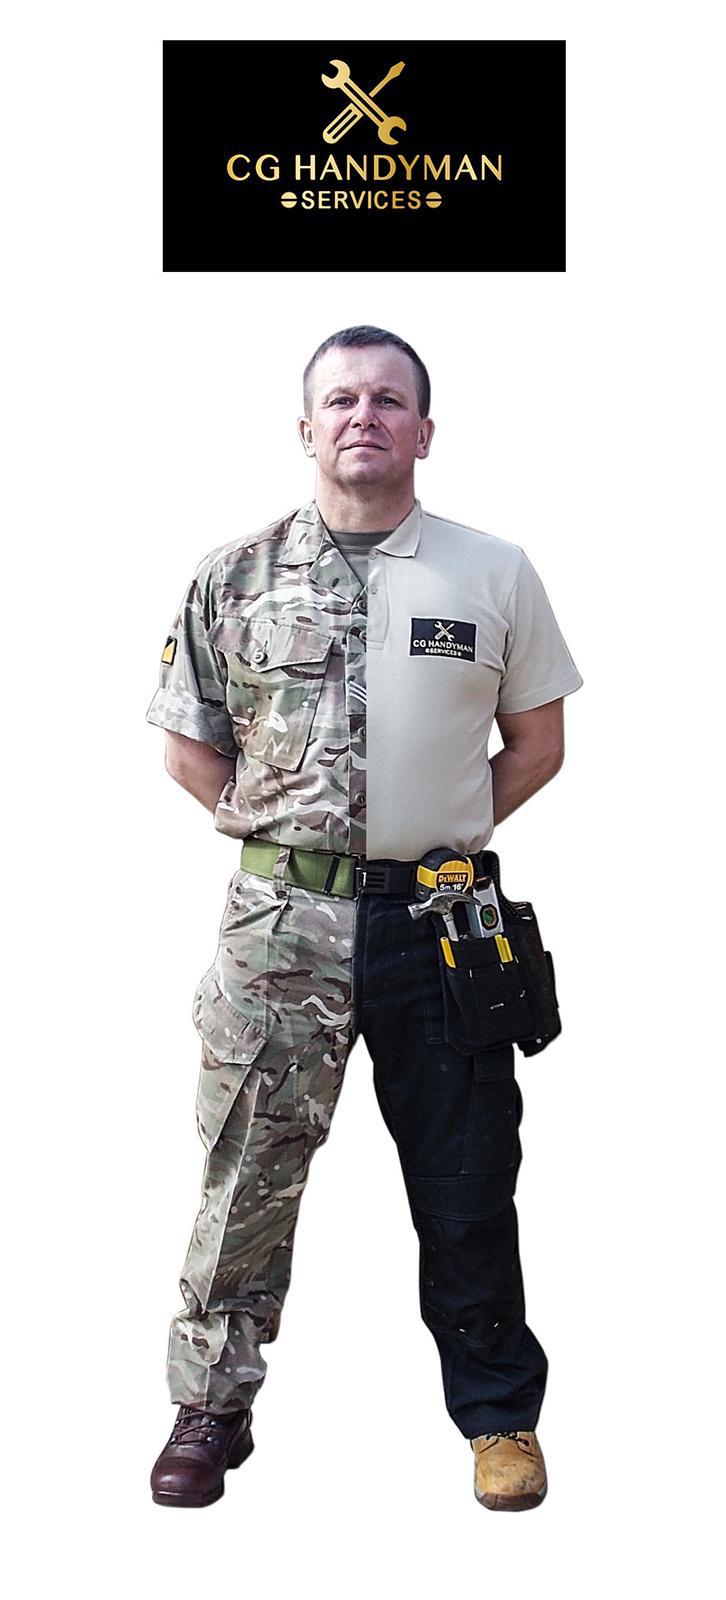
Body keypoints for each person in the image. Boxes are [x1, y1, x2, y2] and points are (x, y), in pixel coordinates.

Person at [146, 324, 584, 1511]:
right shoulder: (233, 575)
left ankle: (499, 1416)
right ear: (306, 427)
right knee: (248, 1168)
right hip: (279, 927)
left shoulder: (492, 571)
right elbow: (188, 746)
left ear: (424, 431)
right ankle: (210, 1406)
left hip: (441, 926)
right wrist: (293, 840)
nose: (365, 416)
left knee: (467, 1172)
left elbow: (537, 743)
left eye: (390, 399)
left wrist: (433, 832)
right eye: (341, 399)